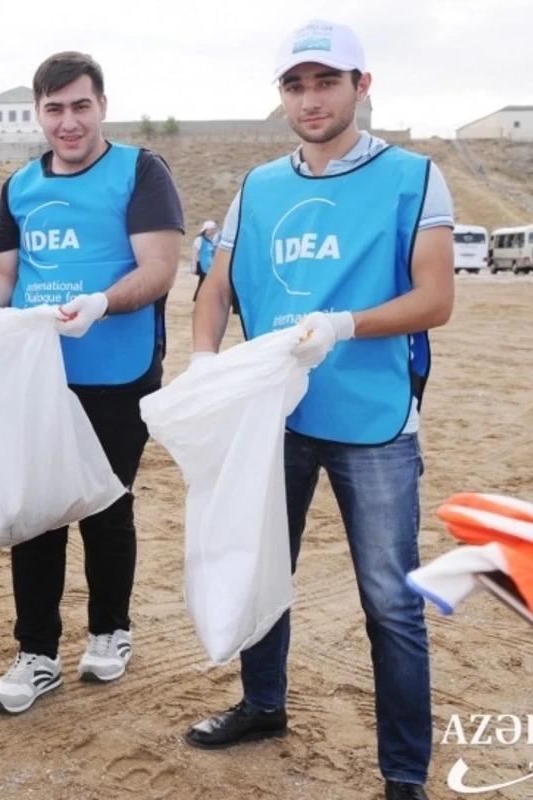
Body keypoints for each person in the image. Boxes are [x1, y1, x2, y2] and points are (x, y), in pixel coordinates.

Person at [186, 20, 454, 800]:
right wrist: (205, 359)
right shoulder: (258, 186)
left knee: (391, 602)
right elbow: (216, 287)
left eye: (326, 82)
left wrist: (344, 324)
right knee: (264, 567)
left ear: (361, 87)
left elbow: (435, 298)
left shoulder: (414, 176)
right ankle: (263, 703)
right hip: (275, 414)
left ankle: (404, 772)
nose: (310, 99)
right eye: (295, 85)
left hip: (374, 421)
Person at [0, 52, 184, 713]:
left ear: (102, 106)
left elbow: (160, 267)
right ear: (38, 113)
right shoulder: (20, 186)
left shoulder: (141, 171)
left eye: (80, 105)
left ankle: (111, 630)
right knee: (36, 512)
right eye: (54, 109)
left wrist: (101, 303)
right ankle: (37, 653)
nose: (68, 121)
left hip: (118, 370)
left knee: (106, 506)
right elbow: (3, 273)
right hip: (38, 374)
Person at [191, 219, 217, 300]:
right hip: (201, 265)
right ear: (206, 230)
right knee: (203, 283)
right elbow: (195, 253)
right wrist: (194, 266)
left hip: (208, 265)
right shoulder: (199, 239)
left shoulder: (211, 240)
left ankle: (200, 299)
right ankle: (199, 299)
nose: (213, 231)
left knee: (204, 283)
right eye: (211, 229)